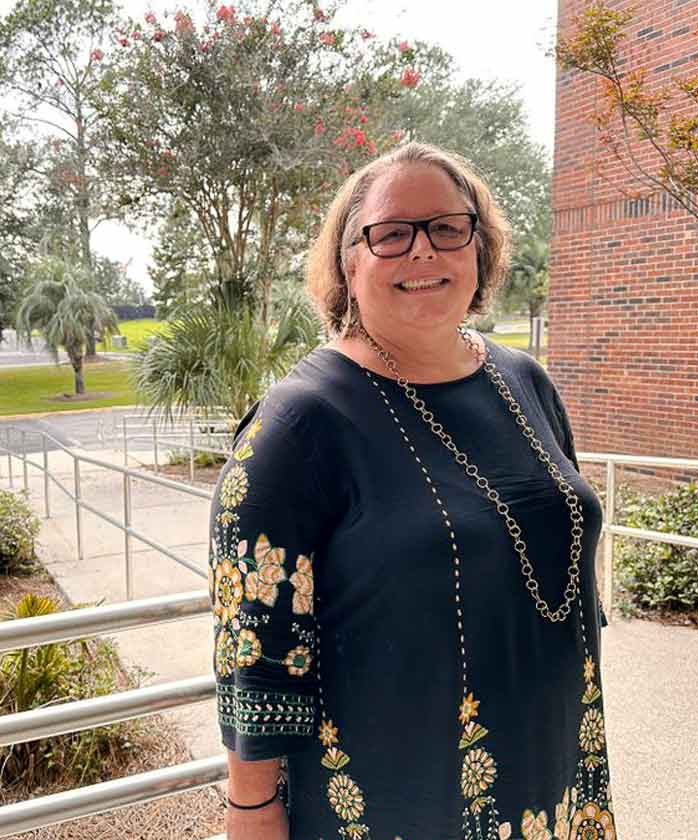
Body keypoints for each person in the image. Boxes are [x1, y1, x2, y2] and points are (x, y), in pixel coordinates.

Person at [209, 141, 617, 840]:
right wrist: (252, 811)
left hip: (553, 765)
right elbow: (254, 650)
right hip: (394, 793)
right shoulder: (299, 423)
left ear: (478, 247)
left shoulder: (526, 383)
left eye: (446, 228)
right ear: (349, 260)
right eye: (391, 234)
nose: (422, 252)